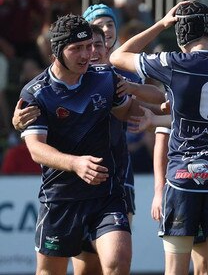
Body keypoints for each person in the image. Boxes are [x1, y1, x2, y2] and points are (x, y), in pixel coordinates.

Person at [110, 1, 208, 275]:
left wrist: (161, 23)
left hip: (183, 179)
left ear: (181, 32)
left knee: (176, 270)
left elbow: (118, 56)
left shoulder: (174, 63)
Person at [19, 14, 133, 275]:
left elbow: (128, 112)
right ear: (57, 51)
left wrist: (159, 105)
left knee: (118, 260)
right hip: (61, 199)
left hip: (105, 193)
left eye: (90, 46)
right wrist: (75, 163)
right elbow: (36, 149)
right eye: (77, 48)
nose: (87, 54)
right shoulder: (36, 93)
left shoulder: (105, 79)